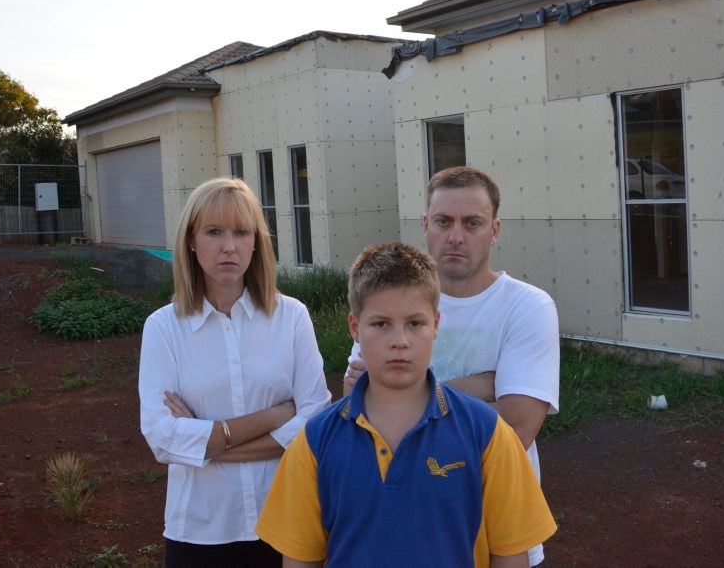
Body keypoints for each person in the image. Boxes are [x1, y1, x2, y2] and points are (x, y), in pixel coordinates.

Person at [257, 242, 557, 567]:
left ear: (436, 324)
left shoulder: (487, 434)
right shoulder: (316, 442)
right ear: (355, 328)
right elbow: (301, 560)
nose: (399, 340)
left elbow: (511, 556)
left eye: (415, 323)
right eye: (381, 324)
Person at [343, 165, 560, 566]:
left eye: (472, 223)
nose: (456, 236)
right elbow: (355, 407)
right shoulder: (393, 296)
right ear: (426, 225)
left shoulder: (527, 307)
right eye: (444, 221)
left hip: (498, 531)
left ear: (494, 230)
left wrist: (399, 393)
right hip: (396, 525)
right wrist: (483, 386)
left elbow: (517, 427)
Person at [138, 176, 331, 567]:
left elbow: (315, 422)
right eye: (214, 232)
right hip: (199, 529)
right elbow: (162, 438)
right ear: (191, 241)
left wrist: (208, 446)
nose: (229, 246)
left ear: (256, 241)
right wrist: (276, 415)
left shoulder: (291, 317)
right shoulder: (164, 327)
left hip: (286, 521)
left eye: (241, 232)